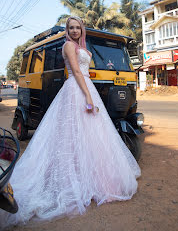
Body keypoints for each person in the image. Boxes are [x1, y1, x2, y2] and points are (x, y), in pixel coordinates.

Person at [0, 16, 141, 229]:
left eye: (78, 27)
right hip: (76, 90)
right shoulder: (68, 45)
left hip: (85, 87)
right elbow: (76, 72)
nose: (74, 31)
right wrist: (88, 96)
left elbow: (85, 71)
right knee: (73, 133)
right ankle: (74, 179)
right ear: (67, 30)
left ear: (82, 30)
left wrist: (91, 91)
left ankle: (94, 180)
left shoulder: (82, 46)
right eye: (71, 28)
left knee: (92, 134)